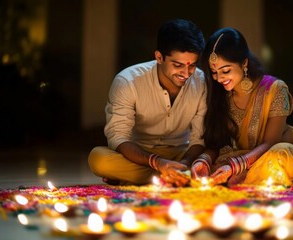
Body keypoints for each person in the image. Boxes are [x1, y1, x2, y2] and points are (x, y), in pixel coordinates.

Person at [191, 27, 293, 187]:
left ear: (244, 63)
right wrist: (203, 161)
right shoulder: (220, 95)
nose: (219, 78)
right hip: (243, 157)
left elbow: (271, 142)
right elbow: (216, 144)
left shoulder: (274, 89)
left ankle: (248, 175)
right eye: (213, 72)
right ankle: (247, 175)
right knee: (214, 170)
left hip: (277, 151)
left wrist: (235, 166)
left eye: (225, 70)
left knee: (276, 157)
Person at [88, 19, 207, 187]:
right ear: (159, 57)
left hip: (181, 155)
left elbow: (198, 139)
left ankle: (166, 176)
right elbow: (119, 137)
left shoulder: (201, 82)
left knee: (213, 159)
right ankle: (176, 178)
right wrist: (157, 163)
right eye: (178, 65)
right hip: (140, 156)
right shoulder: (128, 81)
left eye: (192, 66)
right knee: (99, 159)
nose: (186, 73)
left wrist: (184, 165)